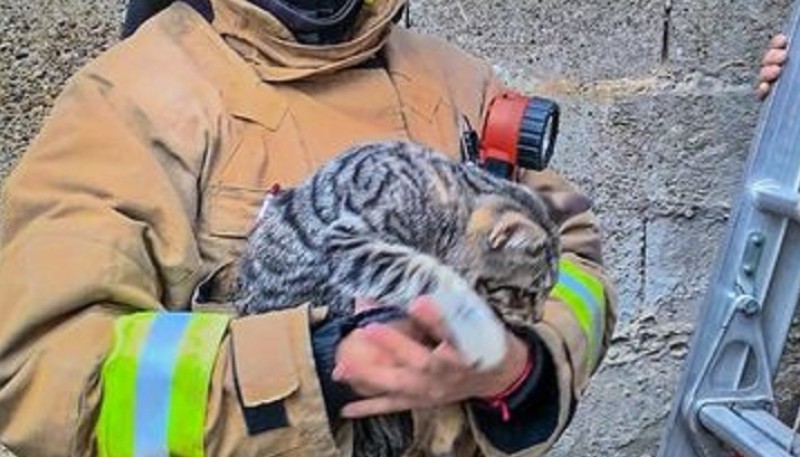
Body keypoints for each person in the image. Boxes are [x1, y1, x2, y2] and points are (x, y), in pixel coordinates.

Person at [0, 1, 617, 456]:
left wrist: (521, 370)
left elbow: (577, 269)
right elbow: (45, 376)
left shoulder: (457, 83)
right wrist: (315, 368)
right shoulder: (131, 99)